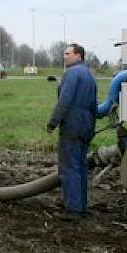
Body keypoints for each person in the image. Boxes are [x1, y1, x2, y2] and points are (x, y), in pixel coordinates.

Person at [46, 43, 97, 220]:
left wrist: (53, 122)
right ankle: (80, 205)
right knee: (81, 166)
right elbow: (94, 105)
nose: (64, 56)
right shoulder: (89, 75)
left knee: (69, 166)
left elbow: (65, 100)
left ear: (78, 56)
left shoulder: (72, 73)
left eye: (68, 53)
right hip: (86, 124)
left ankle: (73, 209)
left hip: (72, 124)